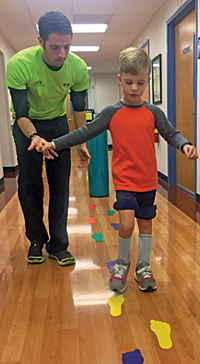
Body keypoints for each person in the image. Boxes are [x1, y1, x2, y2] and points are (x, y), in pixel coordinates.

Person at [31, 47, 198, 292]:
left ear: (148, 82)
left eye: (140, 83)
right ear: (120, 79)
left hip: (148, 182)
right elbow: (83, 132)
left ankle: (143, 266)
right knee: (127, 223)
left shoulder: (153, 112)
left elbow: (170, 133)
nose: (134, 88)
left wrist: (184, 145)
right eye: (129, 82)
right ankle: (121, 264)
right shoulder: (112, 112)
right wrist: (54, 143)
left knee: (146, 223)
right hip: (124, 181)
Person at [5, 11, 91, 266]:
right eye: (55, 47)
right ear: (41, 41)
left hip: (57, 124)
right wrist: (34, 137)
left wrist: (81, 143)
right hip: (26, 125)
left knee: (60, 186)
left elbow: (78, 109)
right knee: (30, 186)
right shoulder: (19, 64)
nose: (62, 54)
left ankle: (58, 245)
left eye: (67, 46)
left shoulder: (77, 66)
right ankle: (35, 240)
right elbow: (20, 113)